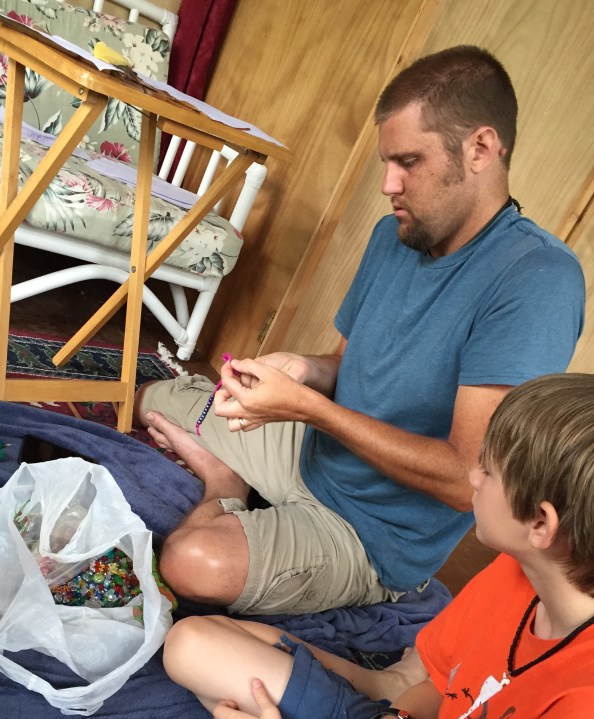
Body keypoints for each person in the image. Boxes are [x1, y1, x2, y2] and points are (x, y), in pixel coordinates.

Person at [134, 46, 585, 617]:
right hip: (312, 453)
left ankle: (224, 485)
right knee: (150, 400)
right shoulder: (392, 235)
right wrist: (302, 370)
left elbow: (464, 480)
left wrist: (308, 409)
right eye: (386, 162)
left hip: (373, 533)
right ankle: (242, 477)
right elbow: (344, 364)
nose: (388, 184)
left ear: (480, 149)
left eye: (408, 162)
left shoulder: (537, 279)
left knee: (190, 561)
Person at [163, 372, 594, 719]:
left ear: (540, 523)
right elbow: (440, 686)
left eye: (488, 470)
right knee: (191, 643)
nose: (472, 476)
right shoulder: (520, 572)